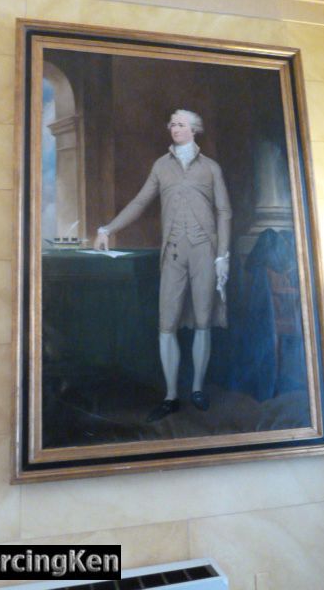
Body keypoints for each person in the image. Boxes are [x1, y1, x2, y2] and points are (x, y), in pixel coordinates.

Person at [94, 109, 232, 421]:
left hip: (205, 253)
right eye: (171, 123)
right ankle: (170, 395)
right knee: (166, 324)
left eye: (180, 124)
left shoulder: (210, 168)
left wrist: (222, 254)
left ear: (194, 129)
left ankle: (197, 388)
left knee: (203, 321)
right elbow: (140, 202)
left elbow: (224, 212)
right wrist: (107, 229)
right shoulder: (161, 166)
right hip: (171, 253)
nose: (174, 128)